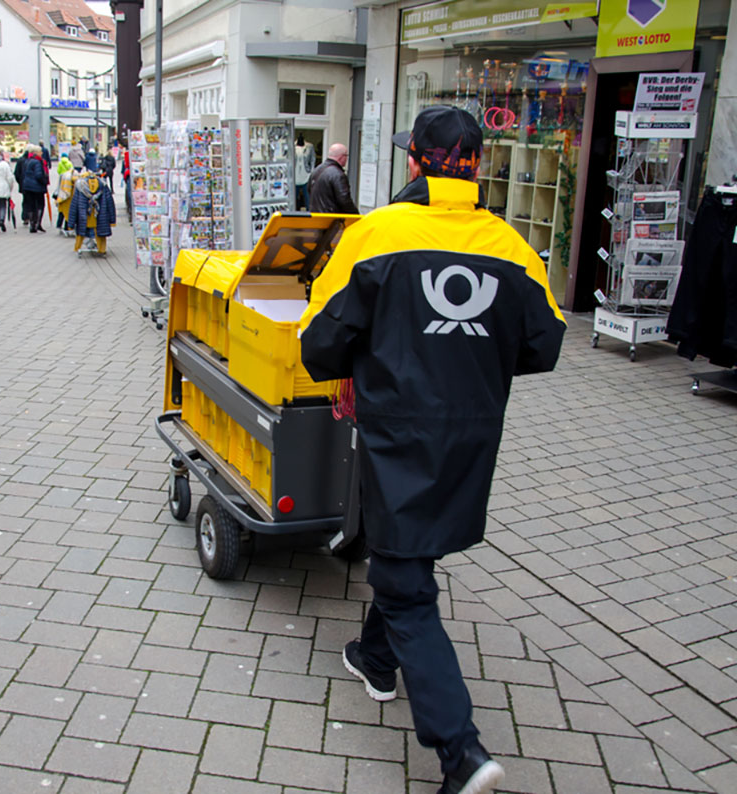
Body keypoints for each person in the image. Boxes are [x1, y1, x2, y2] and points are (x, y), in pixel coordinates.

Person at [298, 105, 566, 794]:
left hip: (397, 432)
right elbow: (545, 345)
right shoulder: (510, 244)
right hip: (470, 434)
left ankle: (462, 755)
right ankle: (374, 658)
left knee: (407, 587)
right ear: (475, 167)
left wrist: (374, 355)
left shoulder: (376, 234)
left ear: (416, 162)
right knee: (405, 554)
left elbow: (318, 340)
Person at [68, 169, 116, 255]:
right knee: (101, 234)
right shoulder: (103, 186)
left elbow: (74, 206)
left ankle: (77, 248)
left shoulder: (80, 187)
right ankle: (102, 249)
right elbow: (110, 203)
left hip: (85, 217)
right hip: (100, 217)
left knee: (80, 234)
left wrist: (71, 224)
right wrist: (112, 221)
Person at [308, 142, 358, 214]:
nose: (347, 159)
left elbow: (309, 189)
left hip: (316, 216)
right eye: (346, 156)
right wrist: (355, 215)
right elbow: (344, 200)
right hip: (331, 218)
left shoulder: (317, 170)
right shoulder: (338, 175)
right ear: (342, 157)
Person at [20, 144, 51, 233]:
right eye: (40, 152)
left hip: (27, 186)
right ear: (36, 153)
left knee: (31, 205)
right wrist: (44, 181)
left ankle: (32, 224)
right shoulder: (37, 162)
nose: (42, 153)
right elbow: (38, 175)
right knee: (40, 205)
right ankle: (37, 223)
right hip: (37, 187)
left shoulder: (27, 161)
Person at [55, 154, 76, 235]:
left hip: (62, 193)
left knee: (62, 211)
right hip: (68, 196)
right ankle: (68, 227)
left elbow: (58, 171)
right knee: (68, 212)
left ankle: (59, 225)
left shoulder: (60, 164)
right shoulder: (70, 164)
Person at [294, 134, 315, 210]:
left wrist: (312, 173)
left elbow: (312, 160)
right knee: (293, 200)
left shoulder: (310, 146)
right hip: (295, 176)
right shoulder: (292, 146)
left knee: (308, 199)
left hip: (306, 176)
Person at [13, 147, 30, 225]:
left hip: (23, 184)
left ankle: (25, 217)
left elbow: (16, 173)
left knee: (25, 200)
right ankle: (31, 216)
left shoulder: (20, 160)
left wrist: (20, 182)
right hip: (32, 185)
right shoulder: (32, 160)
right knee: (32, 201)